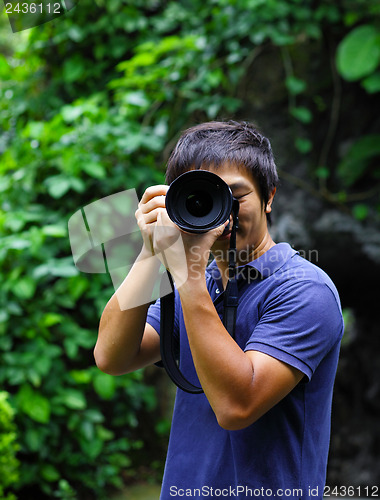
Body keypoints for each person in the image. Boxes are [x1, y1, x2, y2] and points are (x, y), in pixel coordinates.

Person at [95, 121, 344, 499]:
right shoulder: (197, 284)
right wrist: (150, 254)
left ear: (269, 196)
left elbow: (237, 406)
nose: (221, 215)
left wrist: (188, 272)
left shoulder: (304, 290)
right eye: (202, 198)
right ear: (176, 202)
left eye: (235, 196)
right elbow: (112, 355)